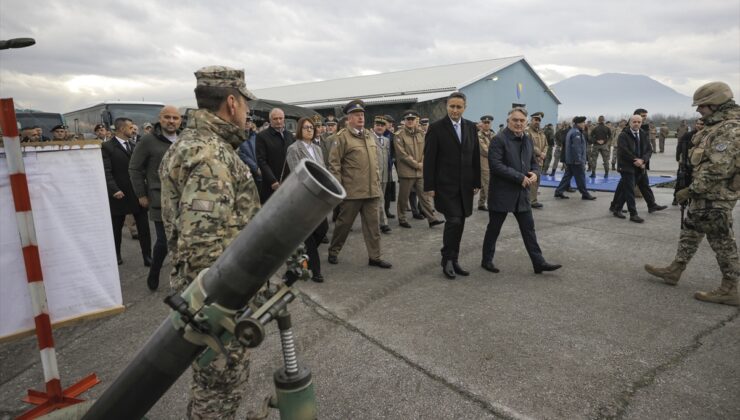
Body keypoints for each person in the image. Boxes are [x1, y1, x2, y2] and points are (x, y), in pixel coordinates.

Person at [159, 65, 261, 418]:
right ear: (231, 103)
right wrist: (225, 309)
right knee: (218, 393)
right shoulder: (211, 157)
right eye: (246, 105)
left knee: (210, 388)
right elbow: (203, 246)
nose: (248, 113)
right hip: (217, 302)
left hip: (206, 297)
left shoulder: (195, 146)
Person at [645, 81, 739, 306]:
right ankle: (675, 270)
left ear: (716, 104)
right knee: (690, 231)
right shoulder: (714, 126)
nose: (698, 110)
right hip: (703, 195)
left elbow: (718, 168)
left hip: (715, 196)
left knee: (722, 241)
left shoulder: (729, 129)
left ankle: (731, 287)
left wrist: (689, 190)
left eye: (703, 106)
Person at [482, 107, 561, 274]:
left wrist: (535, 173)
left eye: (521, 121)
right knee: (494, 229)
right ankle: (486, 260)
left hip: (521, 193)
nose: (518, 123)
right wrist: (519, 177)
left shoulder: (527, 140)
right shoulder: (498, 140)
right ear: (509, 121)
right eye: (515, 120)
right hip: (502, 193)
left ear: (526, 123)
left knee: (529, 229)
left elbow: (533, 162)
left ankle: (538, 262)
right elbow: (496, 166)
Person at [327, 99, 392, 269]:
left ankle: (375, 257)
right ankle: (333, 251)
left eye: (362, 115)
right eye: (356, 115)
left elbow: (375, 162)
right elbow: (334, 165)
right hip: (352, 192)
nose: (360, 118)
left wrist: (377, 181)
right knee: (343, 225)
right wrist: (339, 190)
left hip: (371, 191)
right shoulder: (341, 138)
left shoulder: (370, 135)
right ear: (348, 118)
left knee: (373, 228)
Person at [423, 92, 481, 279]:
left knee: (461, 222)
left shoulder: (471, 127)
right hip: (445, 186)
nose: (455, 110)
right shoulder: (436, 128)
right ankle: (447, 259)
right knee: (454, 221)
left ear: (465, 107)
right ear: (446, 107)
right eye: (452, 106)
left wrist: (476, 181)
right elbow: (429, 159)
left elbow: (475, 156)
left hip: (465, 186)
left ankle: (454, 259)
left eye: (459, 107)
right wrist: (429, 186)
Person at [128, 105, 181, 291]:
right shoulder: (148, 141)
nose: (171, 121)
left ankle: (182, 276)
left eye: (175, 118)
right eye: (167, 117)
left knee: (184, 239)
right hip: (159, 199)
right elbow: (134, 168)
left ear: (180, 120)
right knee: (164, 241)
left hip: (184, 200)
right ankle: (155, 271)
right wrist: (141, 194)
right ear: (160, 118)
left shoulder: (184, 140)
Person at [101, 117, 152, 266]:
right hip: (119, 195)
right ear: (122, 129)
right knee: (116, 228)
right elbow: (106, 171)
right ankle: (116, 255)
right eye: (130, 128)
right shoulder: (107, 147)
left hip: (137, 193)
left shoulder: (135, 145)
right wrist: (114, 189)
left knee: (144, 227)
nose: (134, 130)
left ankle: (147, 256)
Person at [286, 117, 329, 282]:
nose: (309, 130)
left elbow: (324, 170)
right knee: (310, 234)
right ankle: (315, 270)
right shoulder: (293, 148)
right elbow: (296, 173)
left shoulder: (317, 149)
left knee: (322, 229)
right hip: (304, 196)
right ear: (299, 130)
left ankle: (301, 259)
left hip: (320, 197)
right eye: (305, 127)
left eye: (311, 127)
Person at [394, 109, 444, 228]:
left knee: (425, 196)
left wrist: (423, 162)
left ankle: (432, 219)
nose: (410, 121)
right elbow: (402, 155)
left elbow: (427, 150)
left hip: (420, 172)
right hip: (407, 173)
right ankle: (402, 219)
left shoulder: (422, 133)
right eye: (408, 119)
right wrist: (417, 164)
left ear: (416, 121)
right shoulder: (399, 135)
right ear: (404, 121)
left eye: (412, 119)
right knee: (403, 198)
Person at [610, 115, 650, 223]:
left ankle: (617, 208)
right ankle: (633, 214)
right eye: (634, 122)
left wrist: (643, 160)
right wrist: (635, 160)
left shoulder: (643, 134)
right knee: (630, 191)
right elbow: (624, 151)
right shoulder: (623, 135)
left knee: (626, 189)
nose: (636, 124)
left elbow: (648, 150)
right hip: (626, 166)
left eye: (639, 122)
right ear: (630, 123)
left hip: (639, 166)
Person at [256, 107, 295, 203]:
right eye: (275, 119)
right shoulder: (262, 136)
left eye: (281, 118)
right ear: (270, 120)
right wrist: (272, 180)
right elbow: (261, 161)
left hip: (289, 181)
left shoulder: (289, 135)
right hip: (271, 184)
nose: (278, 121)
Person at [554, 117, 596, 200]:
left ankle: (558, 191)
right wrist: (578, 160)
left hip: (571, 160)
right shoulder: (576, 133)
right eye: (583, 122)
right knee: (581, 177)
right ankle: (585, 194)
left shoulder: (572, 131)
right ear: (578, 124)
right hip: (575, 160)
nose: (584, 124)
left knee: (567, 176)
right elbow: (576, 148)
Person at [673, 118, 704, 205]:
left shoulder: (707, 135)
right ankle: (676, 198)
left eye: (702, 124)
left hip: (699, 163)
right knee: (681, 180)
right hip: (686, 161)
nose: (699, 126)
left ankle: (693, 200)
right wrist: (678, 158)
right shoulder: (688, 135)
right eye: (698, 124)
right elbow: (679, 146)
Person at [371, 115, 392, 234]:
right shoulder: (369, 138)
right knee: (380, 200)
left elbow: (387, 158)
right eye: (377, 125)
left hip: (384, 175)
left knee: (379, 199)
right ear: (373, 126)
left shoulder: (386, 140)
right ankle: (384, 224)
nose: (379, 127)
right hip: (374, 174)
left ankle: (376, 222)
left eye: (382, 125)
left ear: (385, 128)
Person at [527, 112, 547, 208]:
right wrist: (540, 153)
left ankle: (533, 199)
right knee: (532, 180)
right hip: (531, 160)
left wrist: (544, 153)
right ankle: (531, 201)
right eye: (535, 120)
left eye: (539, 120)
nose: (537, 122)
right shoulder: (527, 131)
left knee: (537, 180)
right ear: (531, 120)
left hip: (540, 160)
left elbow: (546, 145)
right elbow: (530, 145)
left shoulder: (541, 132)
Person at [238, 115, 261, 191]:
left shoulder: (256, 136)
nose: (247, 123)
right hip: (247, 174)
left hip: (259, 172)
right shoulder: (237, 137)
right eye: (245, 121)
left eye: (249, 121)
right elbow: (241, 154)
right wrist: (255, 168)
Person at [477, 115, 494, 211]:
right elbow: (484, 150)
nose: (487, 124)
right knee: (487, 183)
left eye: (488, 123)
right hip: (484, 162)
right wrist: (496, 155)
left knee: (485, 183)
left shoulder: (493, 134)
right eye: (485, 123)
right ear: (481, 124)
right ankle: (491, 204)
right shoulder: (479, 135)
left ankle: (481, 203)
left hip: (493, 162)